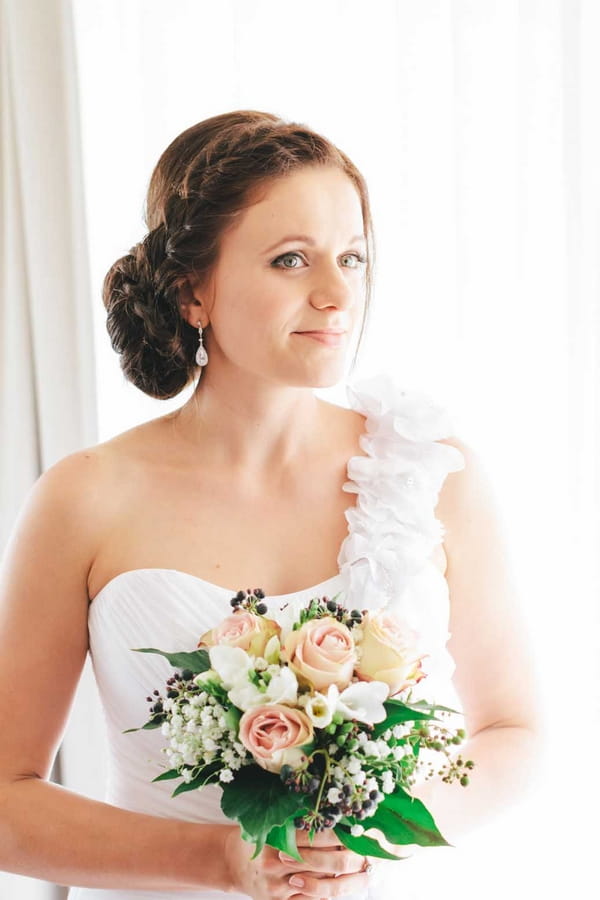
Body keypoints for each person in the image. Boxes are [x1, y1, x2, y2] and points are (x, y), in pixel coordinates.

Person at [0, 109, 540, 900]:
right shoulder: (84, 498)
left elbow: (516, 735)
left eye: (351, 258)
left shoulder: (435, 473)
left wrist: (374, 832)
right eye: (292, 260)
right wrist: (219, 861)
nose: (336, 295)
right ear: (192, 291)